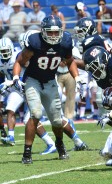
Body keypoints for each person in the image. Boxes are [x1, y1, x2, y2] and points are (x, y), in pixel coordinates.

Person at [12, 16, 84, 164]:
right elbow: (19, 61)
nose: (53, 35)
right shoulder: (35, 42)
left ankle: (60, 145)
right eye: (49, 32)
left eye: (56, 32)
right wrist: (15, 77)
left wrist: (77, 78)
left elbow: (70, 61)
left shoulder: (64, 42)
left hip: (51, 81)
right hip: (33, 81)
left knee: (57, 120)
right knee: (36, 113)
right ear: (43, 31)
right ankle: (27, 153)